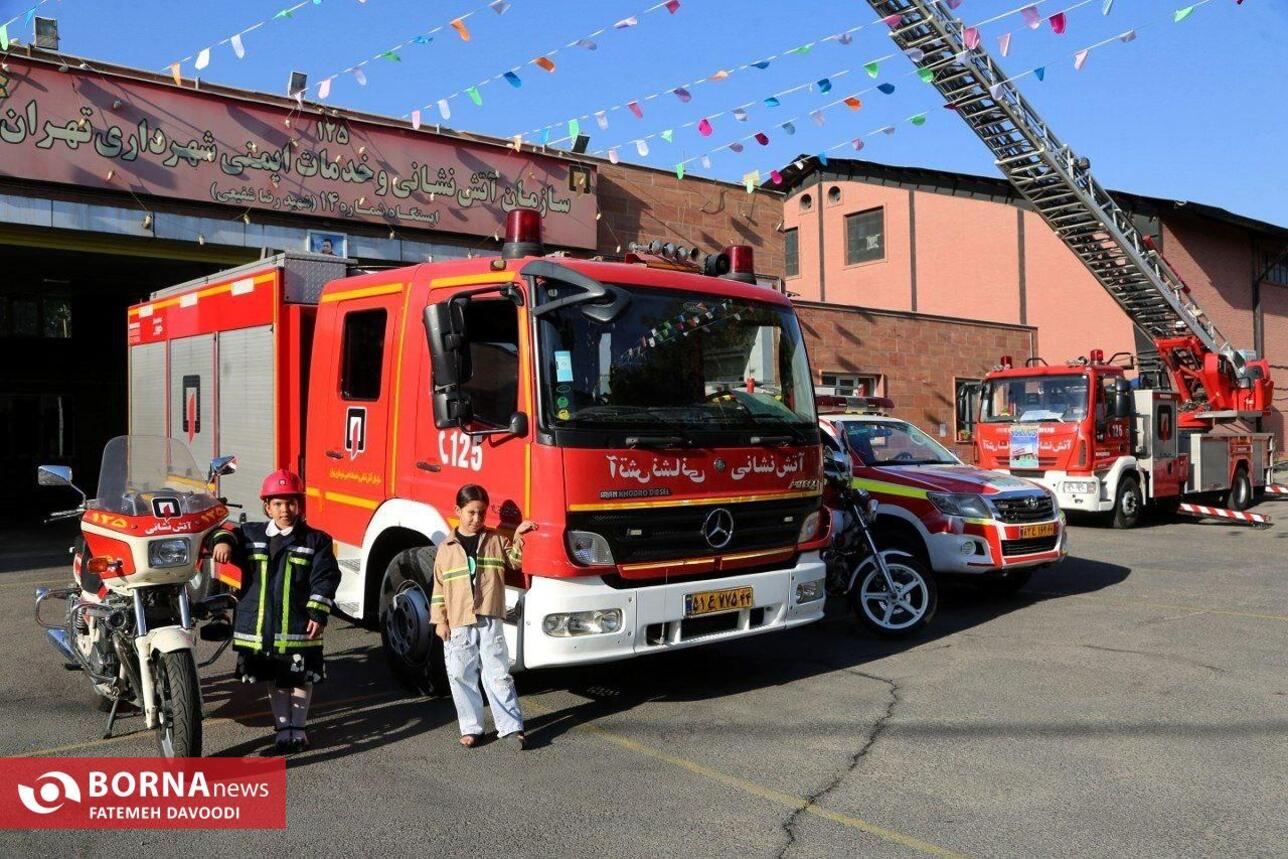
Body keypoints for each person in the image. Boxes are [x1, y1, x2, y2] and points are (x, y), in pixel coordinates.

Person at [210, 469, 340, 753]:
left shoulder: (316, 540)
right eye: (278, 504)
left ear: (300, 505)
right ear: (267, 506)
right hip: (263, 626)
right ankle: (283, 729)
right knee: (275, 679)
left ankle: (299, 728)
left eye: (291, 503)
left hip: (297, 624)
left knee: (301, 677)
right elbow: (224, 531)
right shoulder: (251, 534)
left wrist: (318, 613)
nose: (285, 509)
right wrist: (221, 541)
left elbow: (326, 576)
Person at [432, 484, 536, 749]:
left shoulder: (496, 539)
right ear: (458, 511)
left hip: (489, 616)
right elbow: (439, 587)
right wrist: (440, 620)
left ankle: (511, 727)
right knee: (460, 673)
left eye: (481, 513)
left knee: (497, 672)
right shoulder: (446, 548)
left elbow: (515, 562)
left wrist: (519, 535)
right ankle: (471, 727)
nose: (477, 519)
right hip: (458, 620)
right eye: (471, 513)